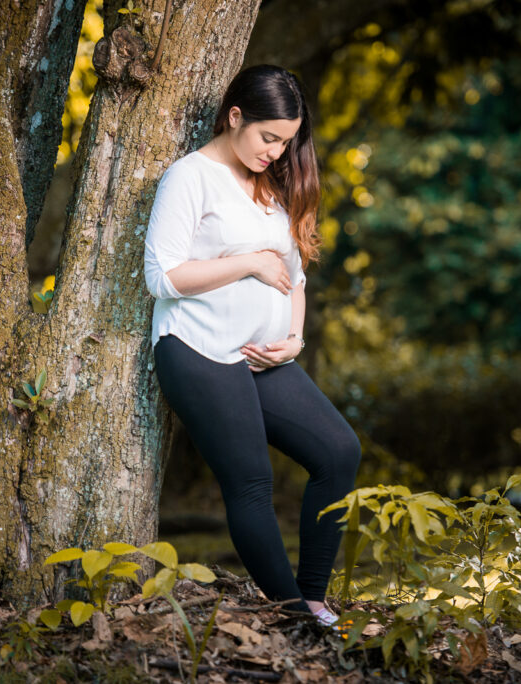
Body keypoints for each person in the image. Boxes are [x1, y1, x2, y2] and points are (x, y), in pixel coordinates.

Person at [143, 64, 361, 627]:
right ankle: (295, 614)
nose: (276, 152)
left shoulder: (269, 185)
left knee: (338, 452)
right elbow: (163, 276)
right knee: (252, 482)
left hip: (264, 358)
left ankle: (313, 600)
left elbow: (296, 278)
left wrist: (295, 339)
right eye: (269, 138)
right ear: (235, 116)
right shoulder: (189, 177)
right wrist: (247, 263)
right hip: (198, 349)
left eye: (286, 142)